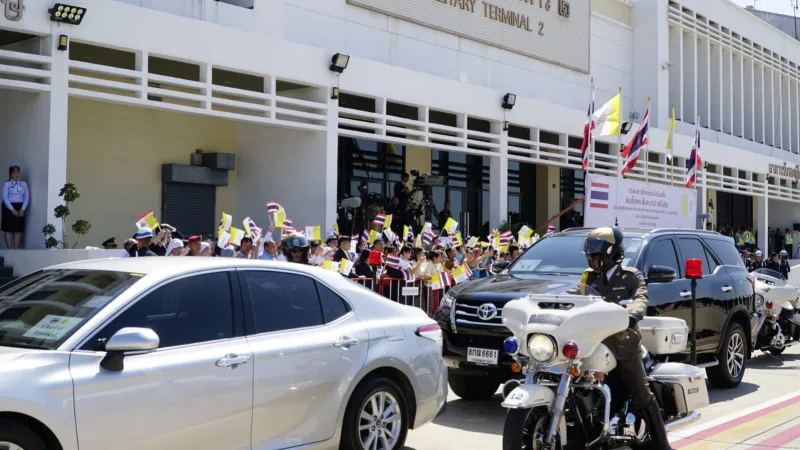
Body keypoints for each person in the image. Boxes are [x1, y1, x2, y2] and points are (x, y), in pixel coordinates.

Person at [580, 227, 671, 450]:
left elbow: (640, 298)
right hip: (594, 342)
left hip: (622, 343)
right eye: (591, 255)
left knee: (641, 393)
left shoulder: (631, 276)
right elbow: (574, 296)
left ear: (612, 254)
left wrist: (632, 314)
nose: (593, 260)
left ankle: (662, 445)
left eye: (597, 255)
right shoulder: (588, 278)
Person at [1, 166, 29, 249]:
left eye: (18, 173)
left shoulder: (23, 184)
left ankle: (16, 250)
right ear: (10, 174)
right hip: (8, 207)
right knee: (8, 229)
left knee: (18, 229)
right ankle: (10, 249)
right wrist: (12, 210)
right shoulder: (7, 184)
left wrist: (23, 209)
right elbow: (5, 197)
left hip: (20, 206)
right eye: (14, 173)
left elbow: (26, 196)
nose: (17, 175)